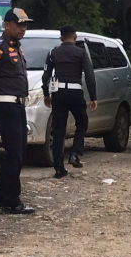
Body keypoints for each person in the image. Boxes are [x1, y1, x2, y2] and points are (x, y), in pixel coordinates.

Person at [0, 8, 35, 215]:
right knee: (15, 153)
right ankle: (12, 200)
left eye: (25, 24)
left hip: (17, 105)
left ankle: (0, 195)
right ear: (7, 25)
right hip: (4, 105)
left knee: (17, 151)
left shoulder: (17, 48)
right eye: (19, 24)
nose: (23, 28)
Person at [41, 25, 97, 178]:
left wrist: (46, 94)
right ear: (75, 37)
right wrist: (93, 97)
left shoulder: (53, 52)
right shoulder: (81, 53)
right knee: (82, 122)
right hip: (75, 92)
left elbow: (46, 75)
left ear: (61, 38)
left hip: (58, 93)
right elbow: (90, 76)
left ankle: (59, 169)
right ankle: (74, 154)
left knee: (58, 130)